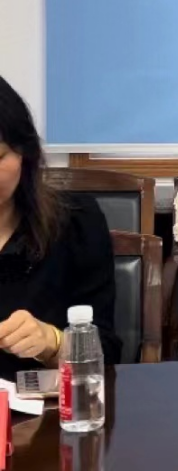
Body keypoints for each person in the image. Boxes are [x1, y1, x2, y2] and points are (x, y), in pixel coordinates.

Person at [0, 76, 121, 376]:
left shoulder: (75, 222)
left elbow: (106, 352)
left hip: (45, 403)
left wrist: (52, 343)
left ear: (25, 153)